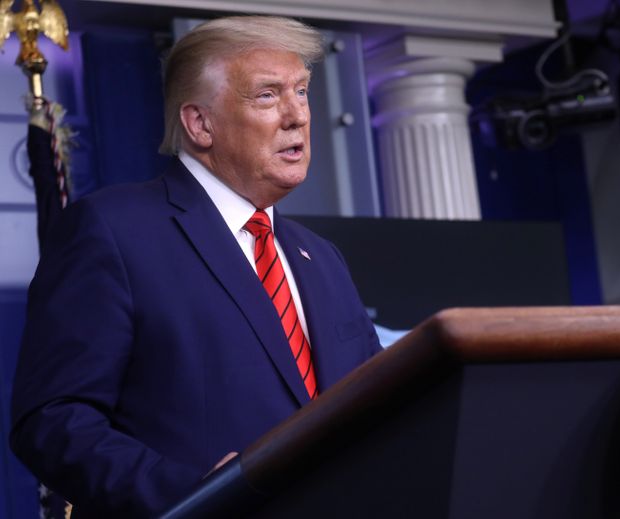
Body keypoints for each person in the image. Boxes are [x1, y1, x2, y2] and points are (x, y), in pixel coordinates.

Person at [10, 15, 382, 518]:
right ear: (199, 123)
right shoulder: (114, 230)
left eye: (302, 91)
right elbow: (53, 420)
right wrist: (196, 494)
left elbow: (375, 411)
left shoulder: (321, 258)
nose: (298, 116)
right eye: (268, 96)